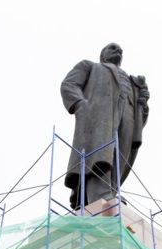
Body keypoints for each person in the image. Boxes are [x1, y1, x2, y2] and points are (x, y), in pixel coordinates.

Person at [61, 43, 150, 209]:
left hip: (127, 117)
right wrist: (80, 104)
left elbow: (141, 114)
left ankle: (111, 191)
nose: (118, 51)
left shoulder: (132, 81)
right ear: (103, 55)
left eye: (121, 50)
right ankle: (99, 195)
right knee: (100, 154)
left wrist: (142, 101)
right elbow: (69, 84)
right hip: (101, 115)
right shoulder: (90, 66)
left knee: (121, 156)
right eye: (113, 48)